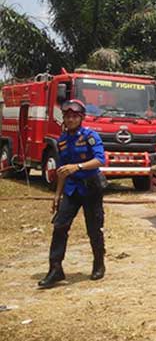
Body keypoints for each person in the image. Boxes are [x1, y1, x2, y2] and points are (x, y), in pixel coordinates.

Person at [39, 99, 107, 288]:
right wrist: (57, 195)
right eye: (67, 116)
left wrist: (77, 166)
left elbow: (100, 160)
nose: (70, 120)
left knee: (94, 228)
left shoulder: (90, 136)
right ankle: (55, 269)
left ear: (81, 118)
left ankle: (98, 263)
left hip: (91, 188)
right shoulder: (61, 141)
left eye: (74, 116)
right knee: (60, 226)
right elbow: (62, 170)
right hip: (71, 189)